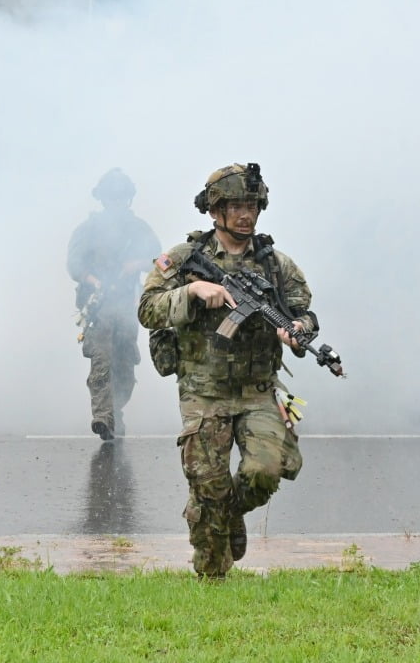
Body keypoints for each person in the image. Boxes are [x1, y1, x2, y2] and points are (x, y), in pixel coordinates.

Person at [138, 163, 315, 579]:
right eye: (235, 205)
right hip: (204, 392)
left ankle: (229, 512)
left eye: (252, 205)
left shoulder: (276, 265)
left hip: (258, 391)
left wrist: (298, 331)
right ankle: (212, 579)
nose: (245, 214)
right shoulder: (183, 259)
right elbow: (147, 309)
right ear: (214, 210)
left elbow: (304, 313)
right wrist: (193, 291)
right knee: (209, 485)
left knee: (264, 471)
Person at [68, 168, 161, 440]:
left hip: (128, 307)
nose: (116, 202)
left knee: (124, 366)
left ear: (128, 199)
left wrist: (139, 264)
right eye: (112, 197)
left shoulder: (140, 229)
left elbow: (164, 260)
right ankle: (103, 416)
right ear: (103, 199)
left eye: (121, 197)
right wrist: (93, 280)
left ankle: (115, 410)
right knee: (101, 361)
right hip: (97, 308)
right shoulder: (87, 230)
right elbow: (73, 264)